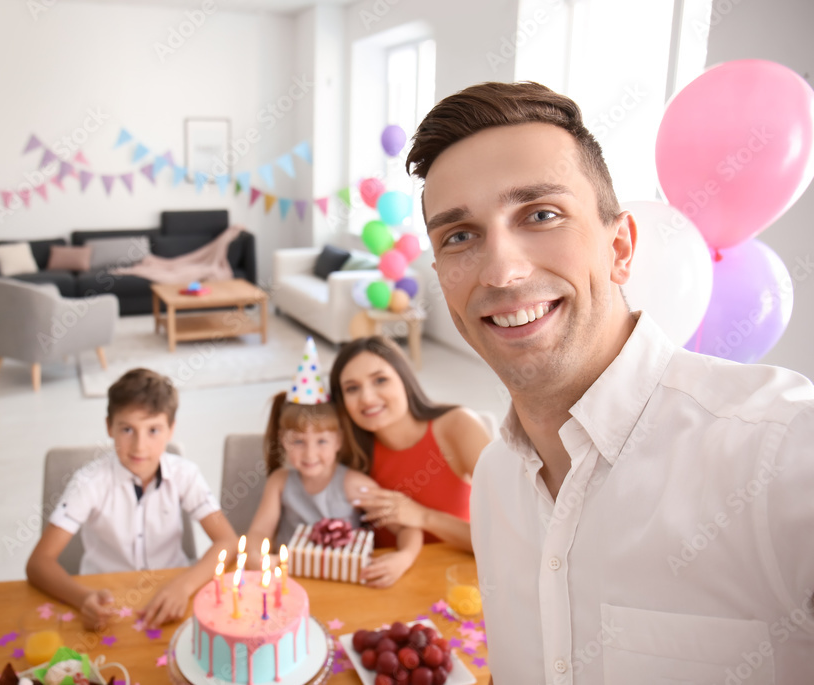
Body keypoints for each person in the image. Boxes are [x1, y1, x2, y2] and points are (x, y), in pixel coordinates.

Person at [407, 80, 814, 684]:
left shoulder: (778, 450)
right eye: (459, 236)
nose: (503, 269)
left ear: (620, 246)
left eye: (540, 214)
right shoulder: (494, 481)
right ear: (441, 275)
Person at [26, 368, 236, 631]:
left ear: (171, 430)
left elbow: (227, 540)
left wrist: (183, 586)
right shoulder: (88, 482)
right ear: (109, 427)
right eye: (127, 429)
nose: (139, 446)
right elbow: (38, 563)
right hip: (108, 605)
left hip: (173, 597)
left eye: (153, 430)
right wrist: (83, 599)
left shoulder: (186, 474)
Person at [245, 338, 423, 587]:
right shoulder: (280, 482)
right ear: (282, 441)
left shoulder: (353, 485)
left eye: (322, 442)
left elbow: (406, 529)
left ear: (338, 441)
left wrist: (403, 558)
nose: (309, 454)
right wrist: (256, 555)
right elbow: (259, 532)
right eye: (297, 442)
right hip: (290, 582)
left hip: (343, 583)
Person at [329, 336, 491, 552]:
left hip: (460, 576)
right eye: (352, 388)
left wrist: (423, 516)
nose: (367, 398)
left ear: (404, 380)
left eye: (380, 380)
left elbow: (507, 537)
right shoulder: (346, 448)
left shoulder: (458, 426)